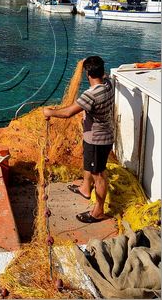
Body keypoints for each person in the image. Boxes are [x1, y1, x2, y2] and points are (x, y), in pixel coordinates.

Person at [43, 56, 114, 224]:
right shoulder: (108, 85)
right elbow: (103, 76)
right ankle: (85, 188)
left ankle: (98, 211)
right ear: (102, 71)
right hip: (103, 135)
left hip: (97, 140)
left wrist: (49, 112)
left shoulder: (90, 95)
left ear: (88, 74)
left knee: (99, 174)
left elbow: (68, 113)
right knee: (90, 165)